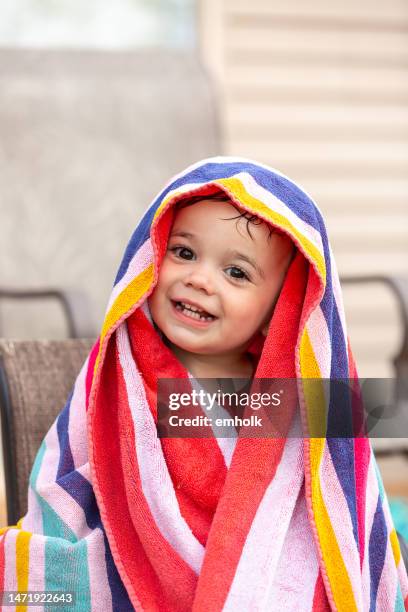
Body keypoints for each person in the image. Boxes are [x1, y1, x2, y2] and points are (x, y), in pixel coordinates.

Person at [0, 157, 407, 611]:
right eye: (184, 252)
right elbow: (67, 476)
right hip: (141, 569)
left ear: (280, 309)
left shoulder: (289, 391)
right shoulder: (126, 372)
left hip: (264, 577)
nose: (199, 278)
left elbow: (346, 485)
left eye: (236, 273)